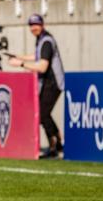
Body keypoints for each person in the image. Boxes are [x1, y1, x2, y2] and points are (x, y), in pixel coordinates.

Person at [8, 14, 65, 159]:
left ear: (42, 24)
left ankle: (57, 145)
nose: (34, 28)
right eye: (31, 25)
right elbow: (37, 56)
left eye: (36, 24)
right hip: (47, 83)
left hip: (53, 83)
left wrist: (20, 64)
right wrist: (18, 56)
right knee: (43, 115)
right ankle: (57, 144)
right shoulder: (41, 39)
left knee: (42, 115)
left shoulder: (46, 41)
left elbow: (42, 66)